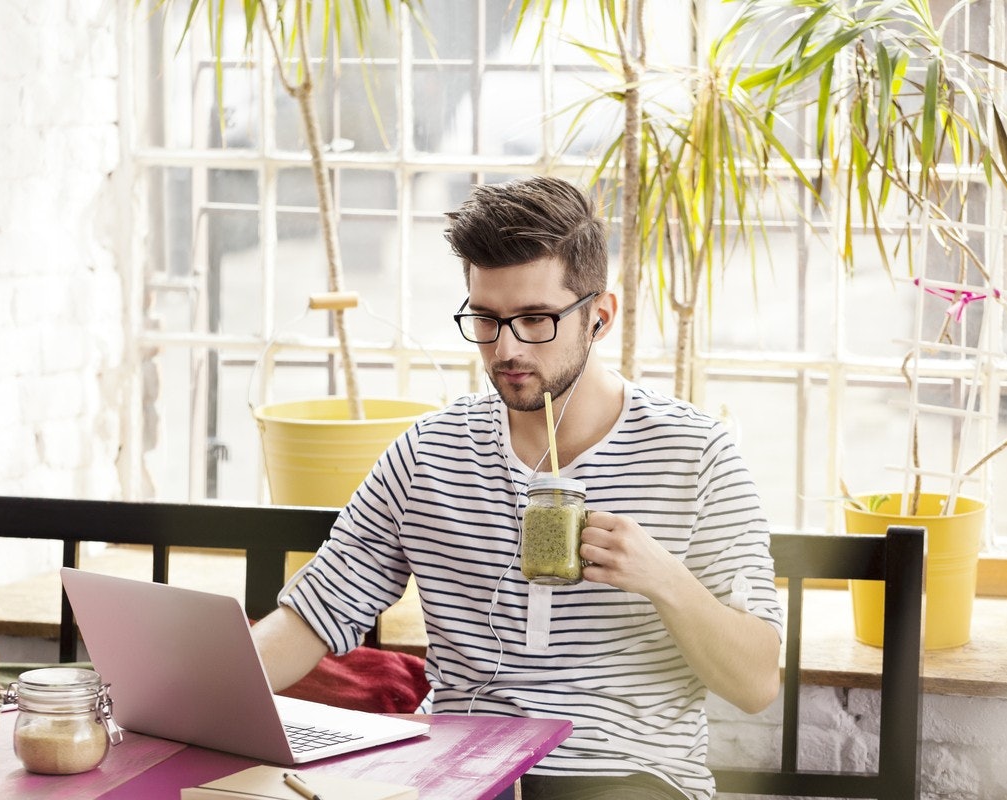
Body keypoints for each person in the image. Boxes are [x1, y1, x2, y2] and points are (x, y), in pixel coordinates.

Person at [252, 175, 783, 800]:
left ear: (600, 316)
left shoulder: (697, 455)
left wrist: (664, 578)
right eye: (485, 319)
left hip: (628, 778)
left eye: (535, 319)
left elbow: (754, 683)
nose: (505, 348)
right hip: (457, 775)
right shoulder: (428, 453)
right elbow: (313, 616)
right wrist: (184, 692)